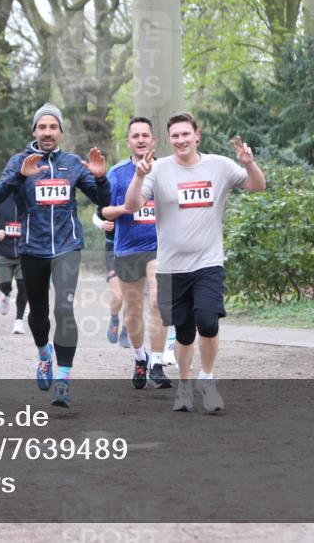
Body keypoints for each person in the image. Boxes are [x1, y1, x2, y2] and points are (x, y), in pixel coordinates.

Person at [124, 112, 265, 413]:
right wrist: (138, 175)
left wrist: (248, 162)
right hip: (172, 267)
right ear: (169, 140)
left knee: (208, 322)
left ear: (197, 135)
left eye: (186, 134)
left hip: (208, 262)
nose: (181, 140)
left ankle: (208, 379)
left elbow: (257, 186)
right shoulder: (158, 169)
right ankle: (185, 386)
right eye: (175, 136)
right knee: (185, 332)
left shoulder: (219, 166)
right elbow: (132, 205)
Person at [0, 103, 109, 407]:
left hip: (67, 247)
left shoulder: (72, 163)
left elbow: (102, 202)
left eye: (52, 127)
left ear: (61, 132)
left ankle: (64, 380)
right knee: (39, 315)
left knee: (64, 311)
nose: (47, 132)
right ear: (34, 131)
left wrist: (101, 178)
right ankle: (44, 357)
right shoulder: (19, 161)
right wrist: (18, 173)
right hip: (33, 249)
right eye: (41, 127)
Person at [100, 117, 172, 389]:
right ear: (128, 141)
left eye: (145, 135)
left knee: (157, 301)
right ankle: (140, 358)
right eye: (135, 136)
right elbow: (103, 211)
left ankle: (156, 363)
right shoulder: (117, 174)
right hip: (128, 248)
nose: (141, 140)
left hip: (159, 247)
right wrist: (124, 210)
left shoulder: (167, 169)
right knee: (133, 311)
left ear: (154, 140)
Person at [0, 194, 29, 335]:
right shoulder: (1, 198)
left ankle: (18, 321)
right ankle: (5, 294)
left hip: (23, 253)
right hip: (3, 253)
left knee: (23, 285)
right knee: (5, 285)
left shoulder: (28, 197)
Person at [92, 212, 126, 347]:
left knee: (132, 297)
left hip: (135, 250)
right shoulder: (112, 194)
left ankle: (127, 331)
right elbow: (96, 215)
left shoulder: (142, 195)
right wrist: (102, 224)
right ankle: (114, 318)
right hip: (112, 249)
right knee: (118, 296)